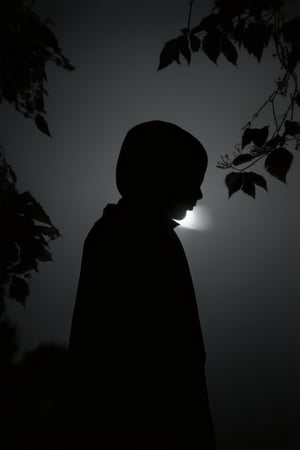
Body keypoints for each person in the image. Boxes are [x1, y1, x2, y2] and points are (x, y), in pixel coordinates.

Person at [68, 120, 216, 449]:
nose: (200, 193)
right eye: (193, 179)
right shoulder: (138, 236)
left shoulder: (125, 232)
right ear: (161, 174)